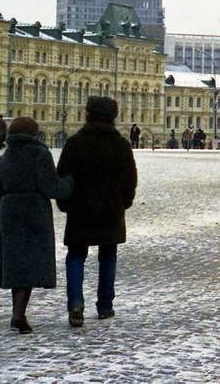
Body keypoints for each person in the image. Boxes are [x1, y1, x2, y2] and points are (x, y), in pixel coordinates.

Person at [57, 97, 137, 327]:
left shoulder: (74, 143)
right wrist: (124, 202)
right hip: (110, 210)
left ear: (88, 115)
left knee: (75, 257)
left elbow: (62, 175)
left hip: (79, 209)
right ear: (114, 117)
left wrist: (65, 204)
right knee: (108, 256)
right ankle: (104, 306)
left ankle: (75, 303)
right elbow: (130, 178)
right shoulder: (121, 144)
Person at [0, 116, 73, 334]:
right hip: (33, 211)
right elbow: (51, 187)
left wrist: (3, 211)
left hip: (9, 210)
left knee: (16, 264)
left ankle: (17, 313)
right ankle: (18, 316)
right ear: (34, 133)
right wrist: (69, 183)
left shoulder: (5, 156)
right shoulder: (40, 154)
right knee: (28, 265)